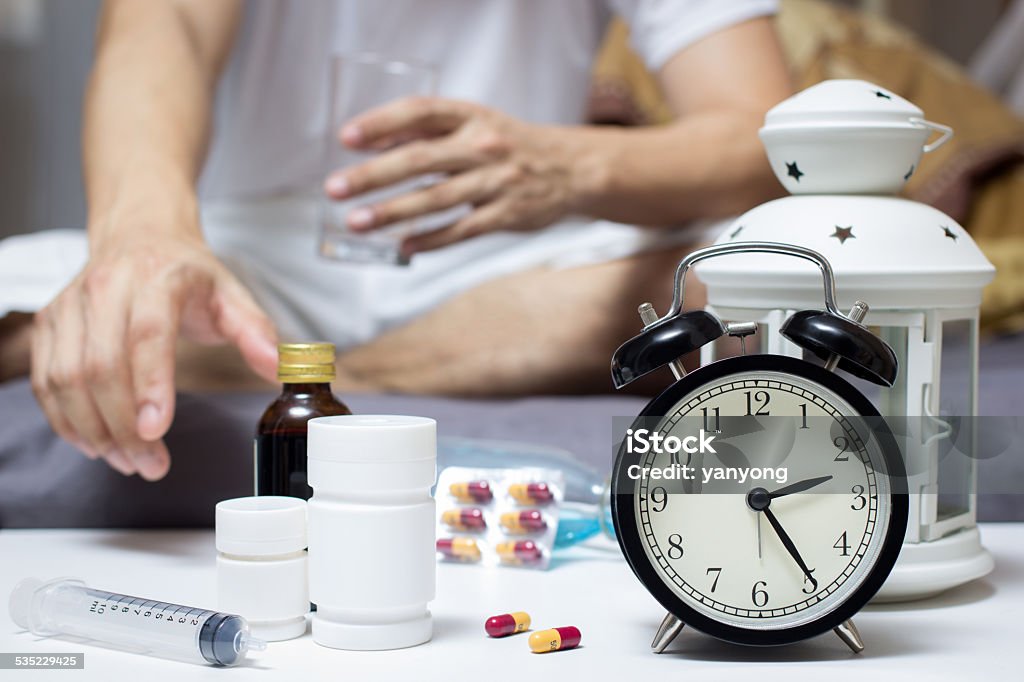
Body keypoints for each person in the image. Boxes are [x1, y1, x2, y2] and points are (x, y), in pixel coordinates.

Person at [0, 0, 791, 481]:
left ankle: (310, 379)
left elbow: (766, 134)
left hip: (508, 257)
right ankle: (330, 369)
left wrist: (569, 164)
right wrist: (145, 237)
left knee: (765, 281)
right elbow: (154, 29)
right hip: (246, 269)